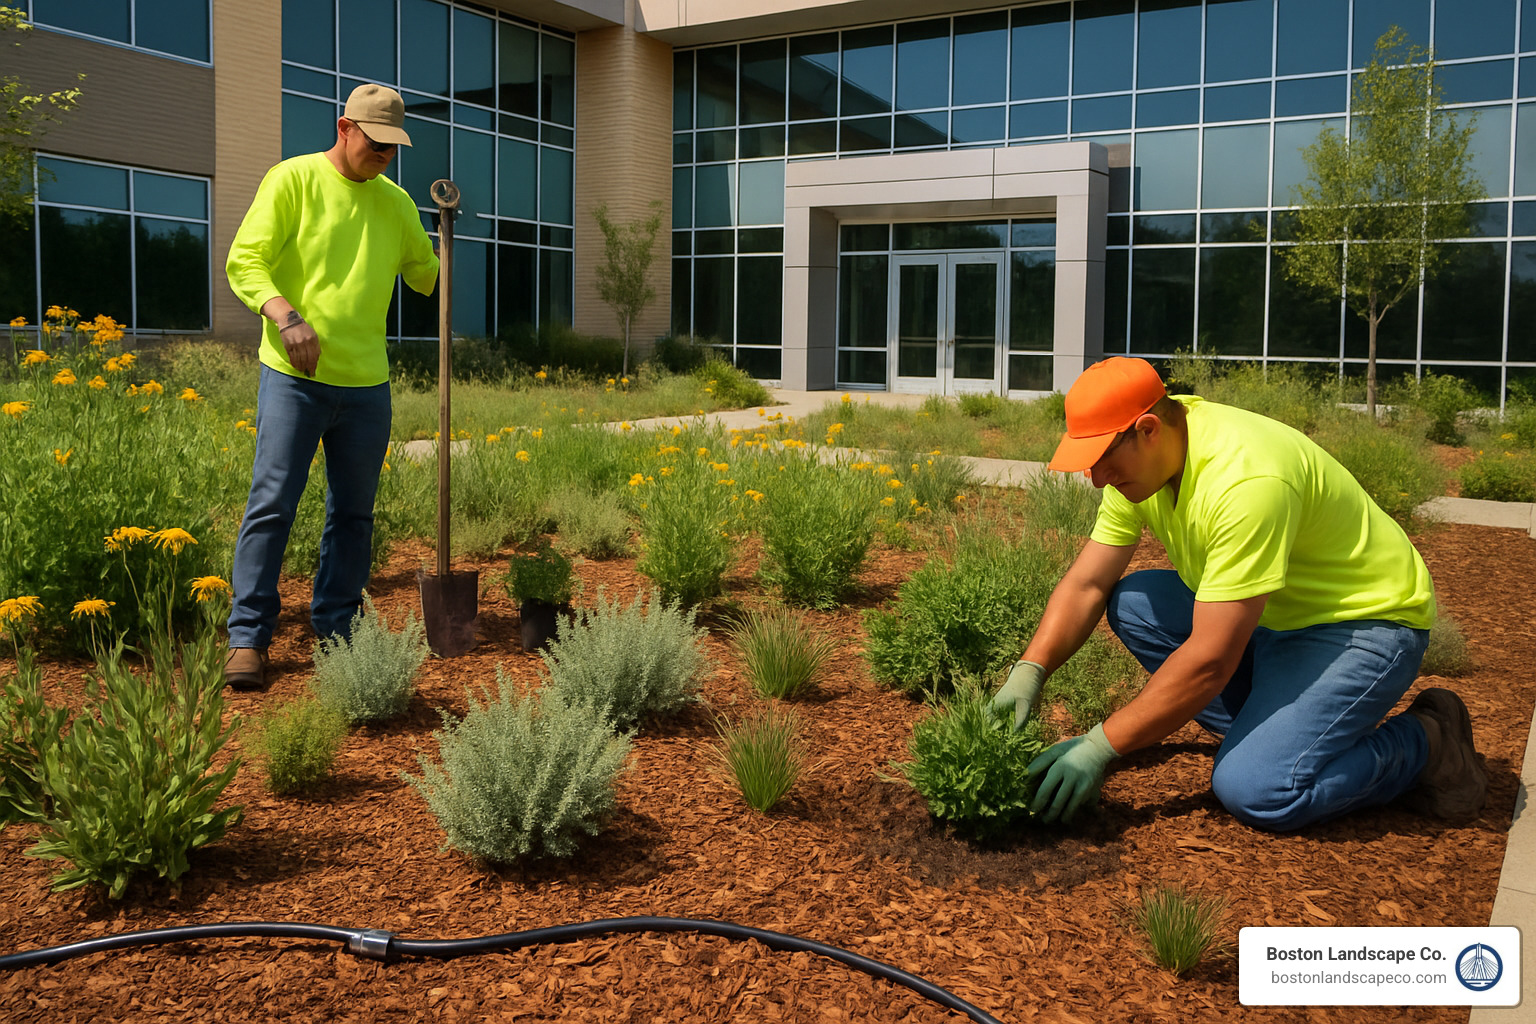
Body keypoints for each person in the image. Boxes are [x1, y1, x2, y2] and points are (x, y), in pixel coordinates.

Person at [992, 357, 1486, 830]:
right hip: (1271, 619)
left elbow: (1210, 658)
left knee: (1257, 788)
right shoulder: (1145, 468)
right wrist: (1029, 672)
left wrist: (1101, 745)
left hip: (1360, 627)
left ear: (1147, 429)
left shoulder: (1246, 479)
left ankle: (1428, 742)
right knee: (1134, 602)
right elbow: (1088, 584)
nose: (1095, 478)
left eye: (1101, 458)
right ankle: (1276, 731)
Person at [222, 84, 439, 689]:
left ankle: (337, 627)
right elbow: (246, 260)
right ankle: (247, 638)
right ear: (344, 128)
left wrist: (444, 231)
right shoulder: (291, 180)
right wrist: (284, 315)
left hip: (368, 387)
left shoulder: (395, 205)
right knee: (272, 506)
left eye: (394, 148)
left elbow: (426, 275)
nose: (385, 156)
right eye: (376, 143)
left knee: (353, 515)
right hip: (295, 380)